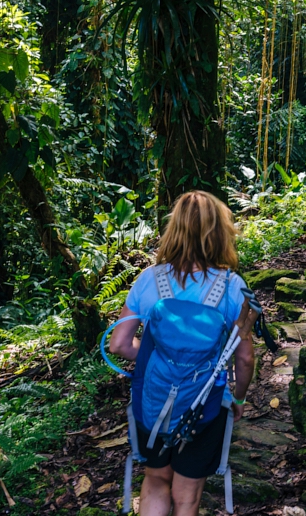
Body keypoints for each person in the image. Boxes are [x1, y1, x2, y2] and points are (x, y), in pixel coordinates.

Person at [110, 191, 255, 516]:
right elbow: (244, 359)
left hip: (153, 400)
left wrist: (159, 360)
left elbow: (118, 344)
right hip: (203, 407)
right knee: (186, 495)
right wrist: (240, 400)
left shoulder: (149, 281)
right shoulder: (232, 287)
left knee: (157, 478)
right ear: (220, 234)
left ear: (173, 230)